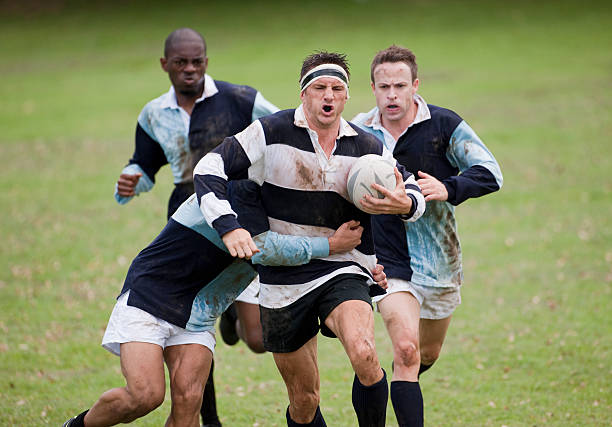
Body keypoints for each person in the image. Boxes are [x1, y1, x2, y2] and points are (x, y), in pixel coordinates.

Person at [192, 51, 425, 426]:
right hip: (281, 280)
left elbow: (411, 192)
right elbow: (209, 167)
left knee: (365, 353)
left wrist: (405, 204)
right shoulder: (270, 132)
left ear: (347, 96)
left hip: (342, 268)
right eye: (319, 88)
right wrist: (229, 225)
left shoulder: (367, 148)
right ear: (304, 94)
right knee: (304, 399)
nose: (328, 96)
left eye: (336, 88)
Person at [63, 180, 385, 427]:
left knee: (189, 402)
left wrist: (364, 275)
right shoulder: (237, 193)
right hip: (153, 295)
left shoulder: (288, 210)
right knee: (145, 395)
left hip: (199, 315)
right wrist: (328, 244)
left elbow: (310, 265)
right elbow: (266, 248)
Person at [113, 27, 278, 425]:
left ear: (207, 61)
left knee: (257, 339)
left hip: (243, 220)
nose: (190, 70)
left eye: (197, 62)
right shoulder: (154, 113)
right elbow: (146, 161)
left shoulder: (241, 99)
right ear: (165, 65)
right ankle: (211, 419)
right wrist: (132, 176)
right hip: (190, 226)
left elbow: (285, 132)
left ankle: (234, 318)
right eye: (181, 63)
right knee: (192, 331)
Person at [352, 45, 503, 426]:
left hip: (439, 260)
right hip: (386, 261)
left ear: (415, 85)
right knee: (405, 349)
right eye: (383, 86)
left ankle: (399, 379)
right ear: (372, 87)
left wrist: (449, 187)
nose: (391, 95)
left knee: (424, 355)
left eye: (400, 85)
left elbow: (491, 172)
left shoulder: (445, 126)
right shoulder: (359, 131)